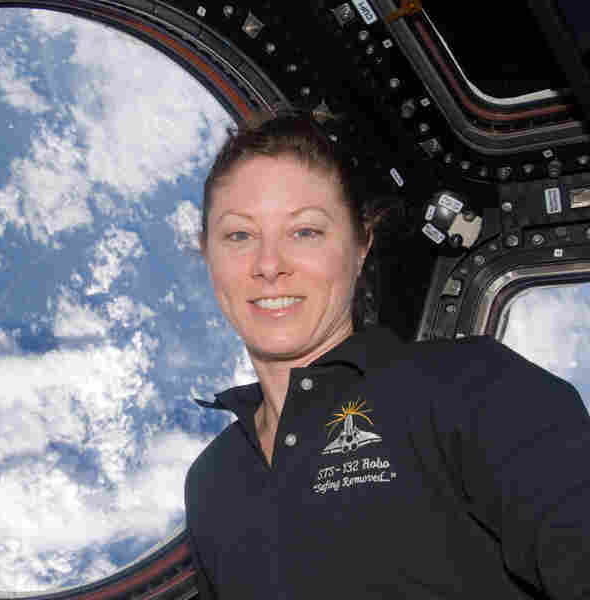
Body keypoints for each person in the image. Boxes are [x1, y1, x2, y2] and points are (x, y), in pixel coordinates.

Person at [184, 113, 590, 599]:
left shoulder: (468, 385)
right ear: (207, 255)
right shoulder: (211, 482)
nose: (269, 265)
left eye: (305, 232)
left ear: (361, 246)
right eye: (239, 236)